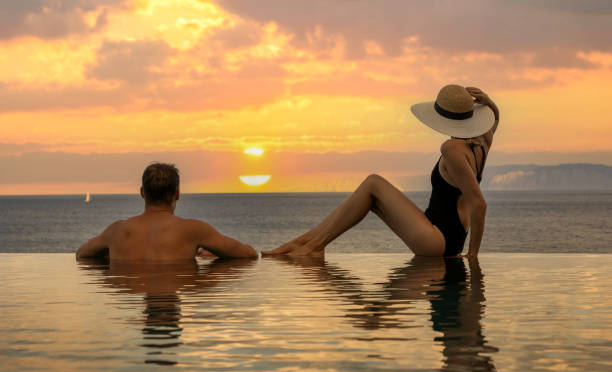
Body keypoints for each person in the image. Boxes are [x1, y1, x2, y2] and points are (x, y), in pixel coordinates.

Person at [263, 85, 499, 258]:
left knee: (373, 183)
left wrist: (473, 255)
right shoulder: (482, 143)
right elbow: (495, 120)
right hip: (446, 235)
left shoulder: (451, 149)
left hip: (438, 240)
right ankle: (308, 243)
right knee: (371, 199)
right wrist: (489, 103)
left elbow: (479, 204)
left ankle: (311, 245)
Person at [76, 163, 257, 260]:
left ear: (141, 193)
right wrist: (218, 253)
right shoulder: (193, 230)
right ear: (177, 194)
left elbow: (81, 254)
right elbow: (249, 254)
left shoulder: (116, 231)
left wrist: (111, 254)